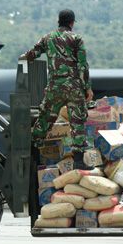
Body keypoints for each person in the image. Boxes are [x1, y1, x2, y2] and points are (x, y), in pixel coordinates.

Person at [20, 9, 93, 165]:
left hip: (54, 87)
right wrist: (87, 88)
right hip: (73, 88)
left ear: (59, 21)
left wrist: (22, 59)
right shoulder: (76, 39)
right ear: (72, 23)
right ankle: (79, 160)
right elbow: (83, 66)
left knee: (45, 118)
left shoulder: (48, 38)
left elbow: (32, 53)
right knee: (77, 122)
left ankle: (33, 154)